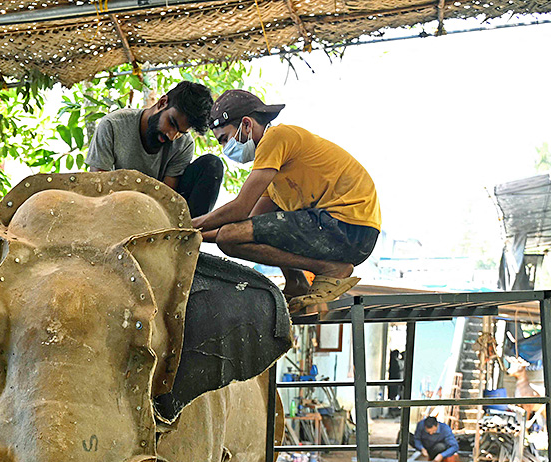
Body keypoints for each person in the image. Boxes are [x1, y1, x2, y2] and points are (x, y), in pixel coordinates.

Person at [191, 89, 381, 315]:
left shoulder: (275, 138)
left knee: (230, 237)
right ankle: (296, 282)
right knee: (234, 238)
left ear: (247, 125)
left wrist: (187, 225)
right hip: (346, 231)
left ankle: (329, 269)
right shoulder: (274, 175)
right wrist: (193, 236)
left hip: (349, 227)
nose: (226, 148)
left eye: (225, 138)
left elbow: (240, 209)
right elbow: (247, 225)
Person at [86, 80, 223, 217]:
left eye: (181, 132)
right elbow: (98, 186)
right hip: (115, 208)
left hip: (157, 213)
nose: (172, 135)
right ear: (162, 103)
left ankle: (189, 232)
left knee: (212, 164)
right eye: (171, 123)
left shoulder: (184, 143)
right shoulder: (112, 125)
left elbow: (166, 197)